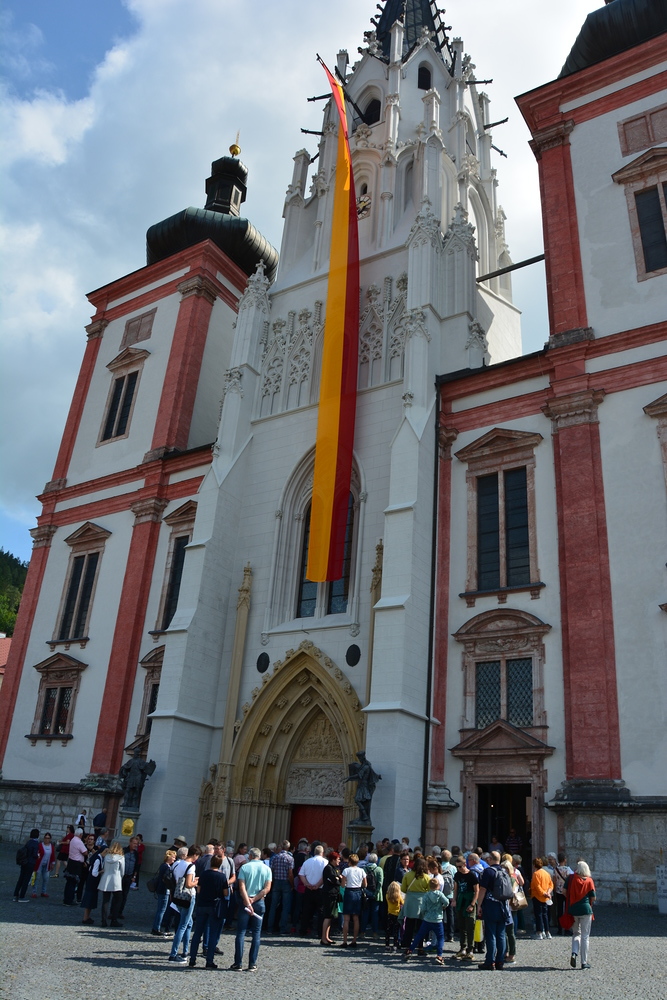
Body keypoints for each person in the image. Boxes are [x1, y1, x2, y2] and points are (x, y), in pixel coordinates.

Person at [230, 846, 272, 972]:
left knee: (241, 932)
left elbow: (241, 886)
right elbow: (267, 888)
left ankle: (238, 963)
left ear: (250, 856)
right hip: (259, 902)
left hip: (245, 901)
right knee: (256, 934)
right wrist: (255, 899)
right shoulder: (267, 868)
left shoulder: (245, 867)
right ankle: (252, 963)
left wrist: (248, 901)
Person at [188, 854, 229, 968]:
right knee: (213, 933)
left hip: (202, 904)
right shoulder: (222, 877)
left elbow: (199, 890)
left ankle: (192, 959)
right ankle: (209, 961)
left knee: (197, 932)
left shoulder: (204, 874)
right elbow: (226, 893)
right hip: (215, 906)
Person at [476, 850, 512, 971]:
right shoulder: (504, 871)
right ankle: (500, 961)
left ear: (490, 859)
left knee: (490, 933)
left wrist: (479, 905)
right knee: (501, 934)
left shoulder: (488, 871)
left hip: (491, 905)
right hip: (503, 905)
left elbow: (482, 889)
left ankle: (490, 961)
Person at [404, 878, 448, 964]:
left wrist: (425, 914)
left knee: (419, 935)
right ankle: (439, 955)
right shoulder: (440, 895)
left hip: (427, 919)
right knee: (440, 937)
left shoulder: (426, 895)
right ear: (438, 886)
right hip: (437, 919)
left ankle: (410, 950)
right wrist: (443, 906)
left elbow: (423, 908)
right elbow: (447, 902)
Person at [168, 845, 199, 963]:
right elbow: (188, 884)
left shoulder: (178, 863)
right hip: (188, 896)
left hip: (178, 895)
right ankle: (173, 954)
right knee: (183, 925)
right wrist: (196, 882)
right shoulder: (191, 866)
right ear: (195, 855)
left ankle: (185, 951)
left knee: (188, 923)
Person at [565, 861, 596, 970]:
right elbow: (593, 897)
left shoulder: (571, 878)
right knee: (585, 936)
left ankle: (574, 953)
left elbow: (564, 891)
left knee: (576, 933)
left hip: (573, 909)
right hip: (586, 910)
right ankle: (584, 962)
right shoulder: (589, 881)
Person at [400, 856, 431, 954]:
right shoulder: (426, 877)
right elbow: (429, 891)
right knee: (421, 927)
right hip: (421, 902)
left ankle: (407, 947)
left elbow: (403, 889)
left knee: (409, 926)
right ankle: (420, 947)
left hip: (410, 901)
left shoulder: (408, 875)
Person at [452, 854, 479, 961]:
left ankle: (470, 949)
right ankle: (462, 948)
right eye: (457, 867)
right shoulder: (457, 875)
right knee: (461, 925)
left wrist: (472, 904)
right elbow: (456, 889)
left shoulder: (472, 875)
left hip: (469, 900)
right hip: (461, 901)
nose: (458, 869)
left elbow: (477, 891)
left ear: (465, 864)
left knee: (470, 925)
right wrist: (454, 900)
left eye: (460, 866)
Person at [299, 844, 327, 937]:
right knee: (321, 912)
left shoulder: (307, 861)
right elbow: (325, 876)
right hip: (320, 889)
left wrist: (306, 883)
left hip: (308, 889)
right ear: (322, 853)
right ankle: (320, 932)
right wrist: (318, 885)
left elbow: (301, 874)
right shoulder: (325, 862)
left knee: (306, 911)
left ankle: (303, 930)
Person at [268, 839, 294, 934]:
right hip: (285, 882)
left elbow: (271, 871)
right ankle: (283, 928)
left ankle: (270, 928)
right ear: (288, 847)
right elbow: (290, 874)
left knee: (273, 905)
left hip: (276, 881)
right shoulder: (290, 858)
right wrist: (292, 884)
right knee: (285, 906)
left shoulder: (275, 857)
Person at [341, 853, 366, 947]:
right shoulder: (362, 871)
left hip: (349, 892)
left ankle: (345, 941)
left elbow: (342, 885)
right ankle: (354, 940)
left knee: (346, 919)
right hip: (358, 892)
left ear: (349, 861)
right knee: (356, 918)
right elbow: (365, 884)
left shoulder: (346, 870)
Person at [99, 841, 125, 927]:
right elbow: (122, 871)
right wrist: (120, 878)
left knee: (105, 901)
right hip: (116, 879)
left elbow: (103, 867)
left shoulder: (107, 857)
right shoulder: (121, 858)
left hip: (106, 878)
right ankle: (114, 919)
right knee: (118, 900)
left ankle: (103, 920)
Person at [151, 849, 176, 936]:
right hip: (164, 890)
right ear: (169, 857)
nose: (174, 859)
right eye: (173, 857)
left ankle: (156, 927)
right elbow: (166, 879)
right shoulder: (167, 867)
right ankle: (156, 928)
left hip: (160, 889)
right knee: (161, 910)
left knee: (160, 909)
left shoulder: (163, 865)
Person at [80, 839, 105, 925]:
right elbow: (94, 873)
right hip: (92, 882)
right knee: (89, 900)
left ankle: (87, 917)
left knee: (90, 900)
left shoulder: (97, 857)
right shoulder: (98, 859)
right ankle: (85, 918)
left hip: (91, 882)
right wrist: (101, 871)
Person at [320, 851, 342, 945]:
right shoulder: (328, 868)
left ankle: (327, 936)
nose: (339, 861)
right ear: (333, 860)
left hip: (334, 894)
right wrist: (338, 878)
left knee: (330, 916)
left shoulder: (334, 868)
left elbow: (339, 879)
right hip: (328, 894)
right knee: (327, 915)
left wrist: (338, 878)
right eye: (338, 859)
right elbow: (334, 880)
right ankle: (323, 938)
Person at [360, 851, 383, 937]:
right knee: (375, 914)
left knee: (365, 913)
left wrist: (365, 892)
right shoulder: (379, 869)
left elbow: (362, 882)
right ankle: (375, 933)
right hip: (376, 895)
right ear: (376, 860)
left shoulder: (364, 869)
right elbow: (380, 883)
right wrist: (376, 893)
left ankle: (362, 932)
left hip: (366, 894)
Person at [14, 828, 40, 902]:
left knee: (21, 879)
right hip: (30, 863)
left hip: (24, 862)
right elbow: (34, 854)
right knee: (26, 880)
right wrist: (38, 856)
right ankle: (22, 896)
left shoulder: (28, 842)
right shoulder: (36, 843)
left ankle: (16, 895)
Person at [530, 856, 554, 940]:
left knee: (538, 915)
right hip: (545, 897)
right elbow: (551, 885)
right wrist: (548, 893)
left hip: (537, 896)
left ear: (534, 865)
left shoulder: (536, 874)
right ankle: (547, 932)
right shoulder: (546, 873)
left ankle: (539, 932)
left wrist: (543, 893)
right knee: (545, 915)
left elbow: (537, 886)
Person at [63, 828, 87, 906]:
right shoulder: (79, 842)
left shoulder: (73, 840)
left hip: (71, 862)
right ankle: (69, 900)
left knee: (69, 882)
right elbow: (85, 852)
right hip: (76, 864)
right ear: (80, 835)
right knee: (73, 882)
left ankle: (66, 899)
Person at [119, 836, 139, 915]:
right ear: (130, 843)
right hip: (121, 876)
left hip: (129, 877)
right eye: (134, 843)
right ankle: (113, 912)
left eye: (136, 844)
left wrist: (134, 877)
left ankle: (120, 912)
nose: (135, 845)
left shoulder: (136, 854)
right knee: (118, 895)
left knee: (125, 895)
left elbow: (136, 866)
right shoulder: (124, 851)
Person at [32, 832, 55, 898]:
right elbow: (37, 853)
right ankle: (34, 892)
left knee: (46, 879)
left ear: (50, 839)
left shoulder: (51, 847)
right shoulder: (40, 845)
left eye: (48, 838)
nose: (46, 839)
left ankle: (43, 891)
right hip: (39, 864)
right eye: (45, 838)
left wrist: (52, 863)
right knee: (37, 878)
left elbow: (52, 855)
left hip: (47, 864)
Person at [440, 850, 456, 942]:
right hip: (450, 894)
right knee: (450, 915)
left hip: (440, 895)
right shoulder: (452, 868)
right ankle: (450, 935)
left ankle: (440, 933)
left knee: (440, 915)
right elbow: (455, 881)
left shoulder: (439, 867)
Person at [385, 880, 403, 950]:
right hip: (397, 914)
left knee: (388, 930)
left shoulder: (387, 896)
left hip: (390, 914)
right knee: (396, 931)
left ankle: (387, 944)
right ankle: (395, 945)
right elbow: (402, 903)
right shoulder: (399, 897)